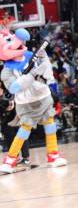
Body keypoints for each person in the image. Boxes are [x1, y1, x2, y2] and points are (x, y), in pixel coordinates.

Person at [0, 27, 67, 173]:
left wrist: (44, 60)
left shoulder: (32, 56)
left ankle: (53, 155)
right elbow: (13, 88)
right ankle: (10, 160)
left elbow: (48, 74)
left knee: (50, 125)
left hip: (43, 97)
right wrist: (30, 76)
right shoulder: (7, 69)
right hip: (25, 103)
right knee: (24, 130)